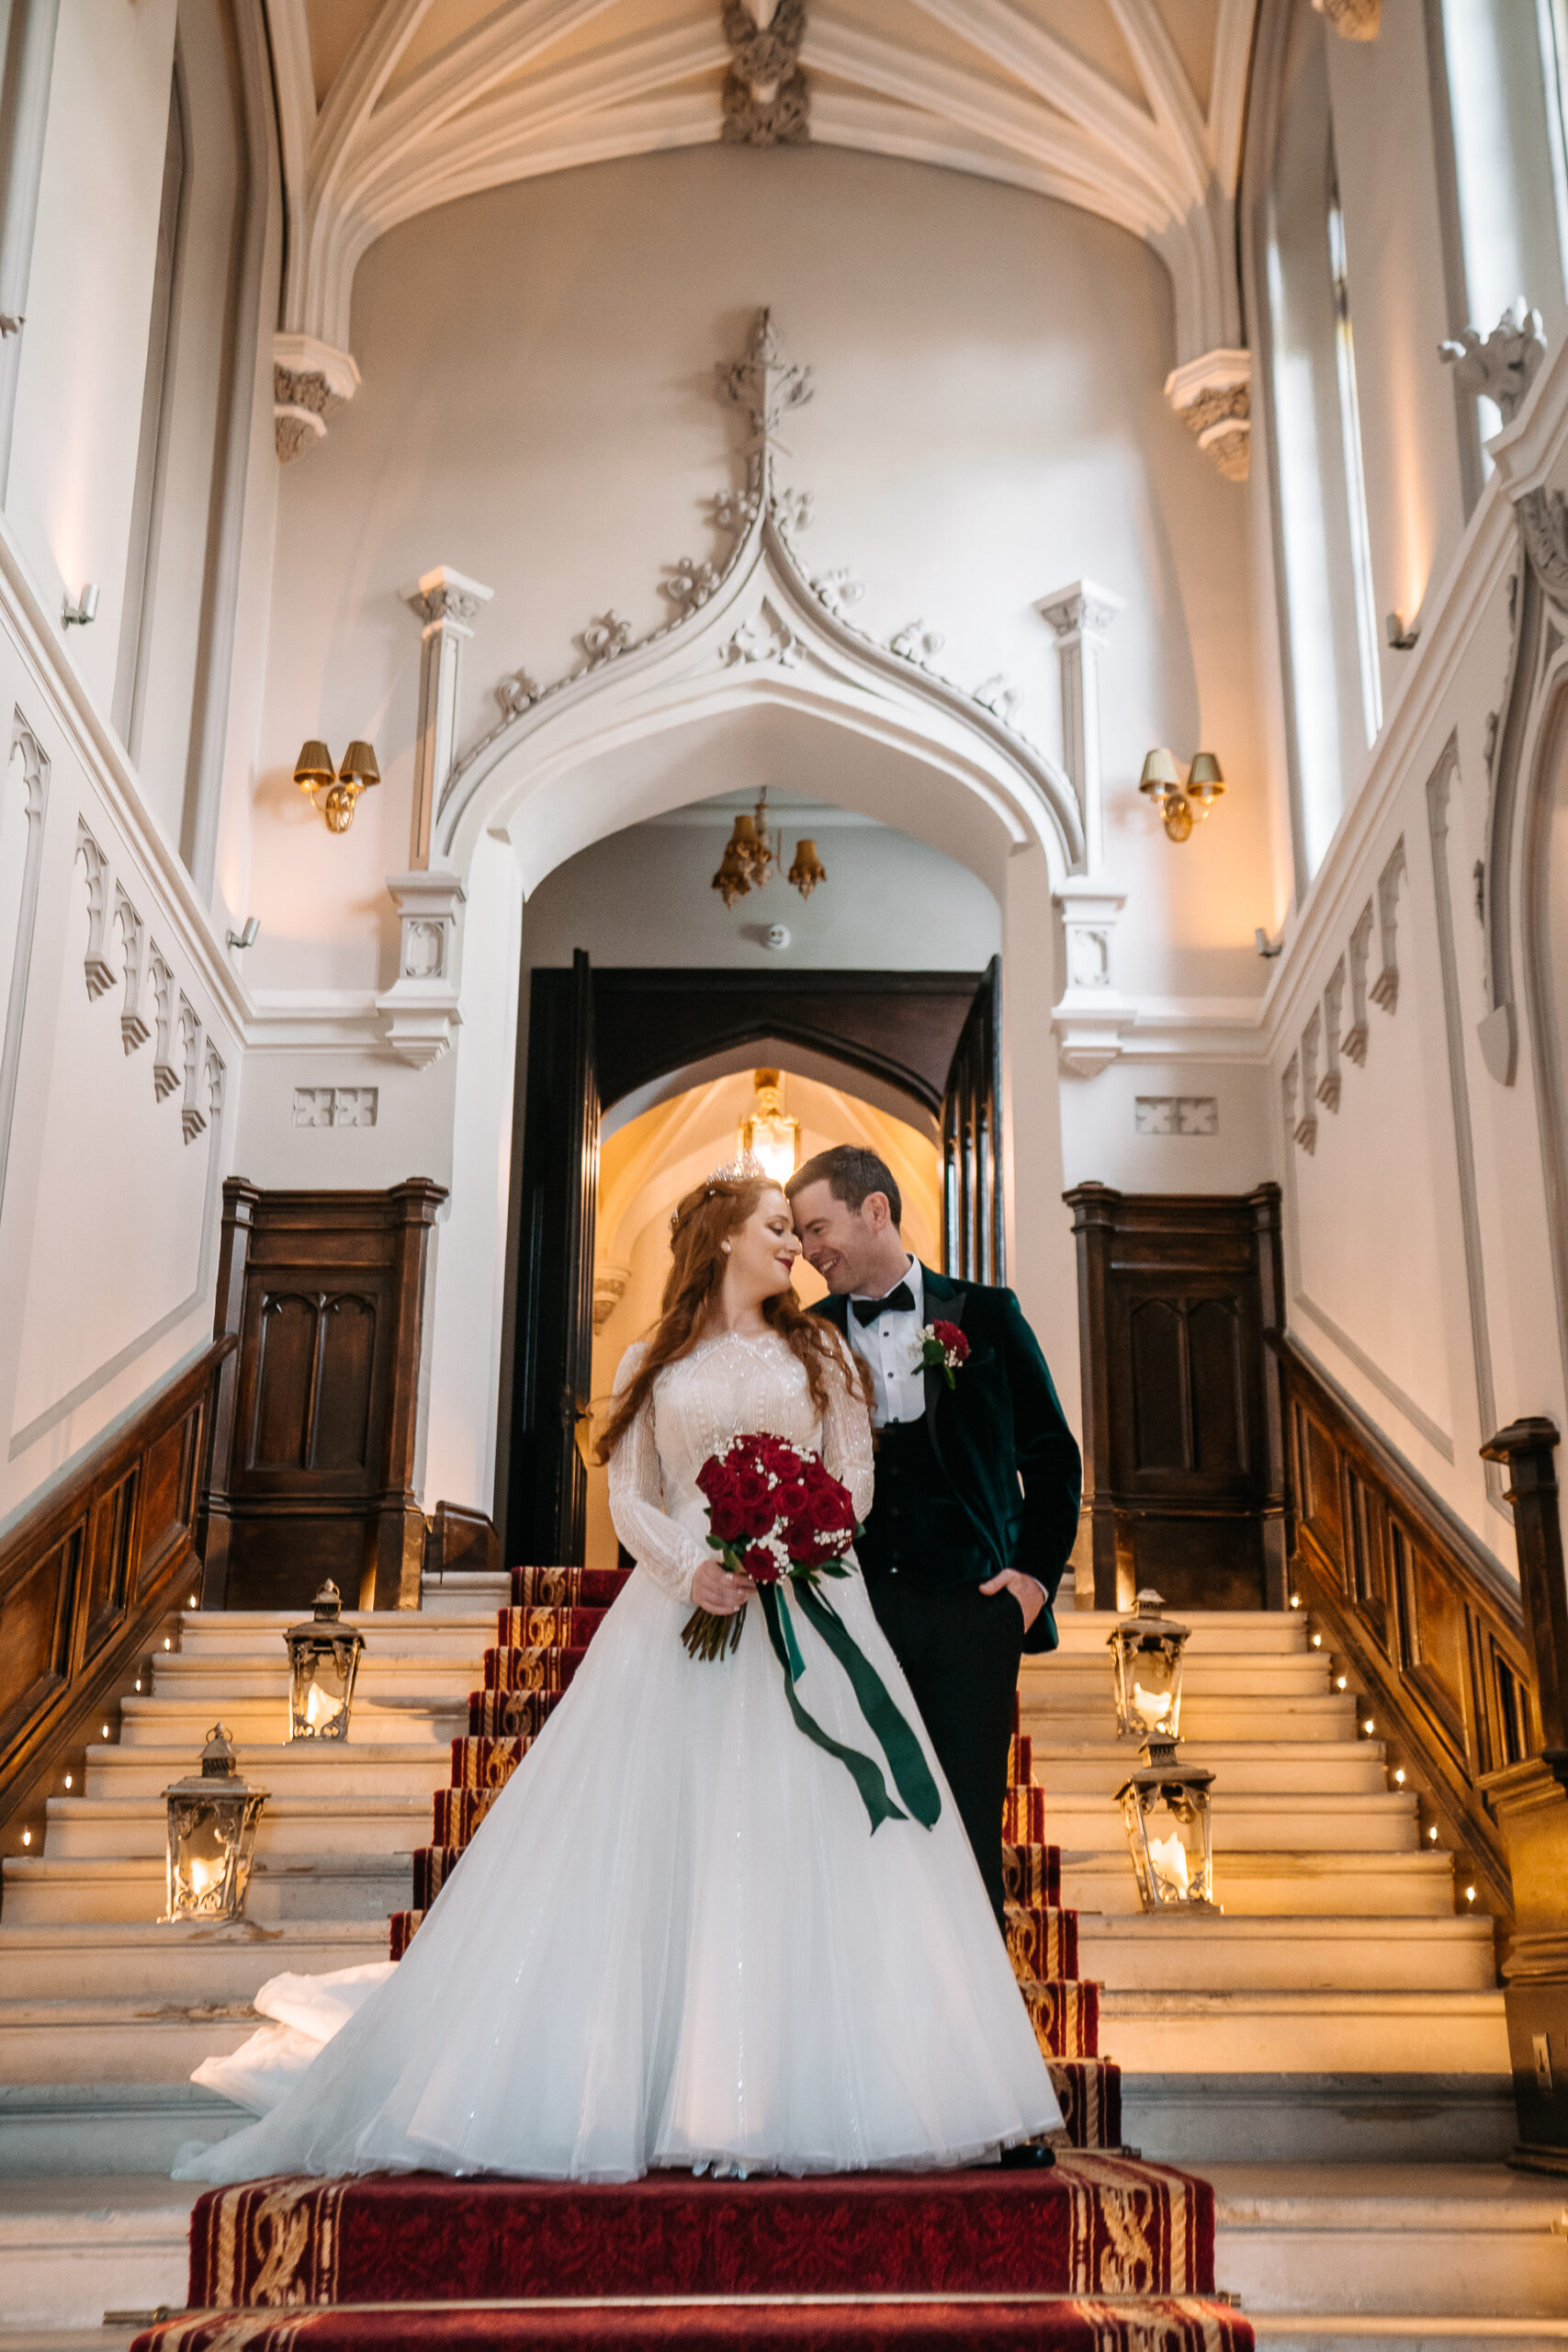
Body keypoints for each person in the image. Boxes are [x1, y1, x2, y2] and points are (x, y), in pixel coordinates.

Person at [172, 1166, 1061, 2186]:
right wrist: (695, 1567)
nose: (797, 1249)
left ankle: (816, 2079)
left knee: (811, 1837)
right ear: (724, 1236)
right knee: (661, 1834)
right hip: (679, 1611)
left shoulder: (824, 1351)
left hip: (810, 1602)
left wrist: (784, 1537)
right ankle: (655, 2079)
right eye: (779, 1227)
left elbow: (854, 1480)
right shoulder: (653, 1357)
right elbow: (632, 1495)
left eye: (804, 1229)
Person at [787, 1146, 1081, 1930]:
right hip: (856, 1611)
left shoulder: (986, 1313)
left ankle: (968, 2032)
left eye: (819, 1228)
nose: (808, 1251)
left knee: (968, 1828)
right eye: (799, 1234)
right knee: (862, 1817)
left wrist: (1030, 1580)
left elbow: (1052, 1456)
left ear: (874, 1210)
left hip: (973, 1611)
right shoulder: (807, 1337)